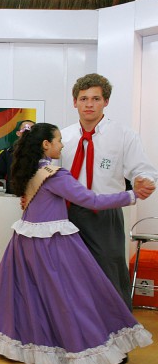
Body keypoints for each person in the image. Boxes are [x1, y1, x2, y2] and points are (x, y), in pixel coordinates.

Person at [0, 123, 153, 364]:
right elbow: (92, 200)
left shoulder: (26, 171)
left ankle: (33, 345)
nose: (62, 144)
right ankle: (78, 343)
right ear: (46, 145)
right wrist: (132, 196)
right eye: (57, 140)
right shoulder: (55, 175)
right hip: (49, 244)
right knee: (71, 296)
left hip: (25, 242)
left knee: (30, 297)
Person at [60, 73, 157, 309]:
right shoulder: (63, 136)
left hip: (105, 214)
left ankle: (118, 333)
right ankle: (76, 333)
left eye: (95, 99)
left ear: (106, 102)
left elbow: (142, 170)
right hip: (66, 213)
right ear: (75, 102)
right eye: (83, 99)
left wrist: (143, 181)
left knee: (109, 272)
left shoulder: (124, 135)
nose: (89, 104)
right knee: (69, 275)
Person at [0, 119, 34, 193]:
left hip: (35, 197)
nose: (29, 133)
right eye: (26, 129)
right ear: (18, 133)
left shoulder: (42, 153)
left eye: (33, 130)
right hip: (12, 197)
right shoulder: (7, 154)